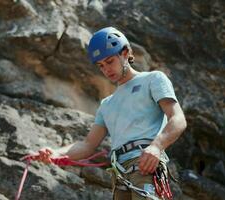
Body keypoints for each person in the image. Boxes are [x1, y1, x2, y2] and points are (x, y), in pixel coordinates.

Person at [25, 27, 187, 200]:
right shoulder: (107, 104)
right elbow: (88, 145)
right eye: (101, 65)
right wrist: (56, 153)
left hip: (146, 164)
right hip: (119, 175)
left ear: (125, 53)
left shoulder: (153, 79)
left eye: (110, 61)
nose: (106, 69)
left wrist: (157, 146)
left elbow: (178, 119)